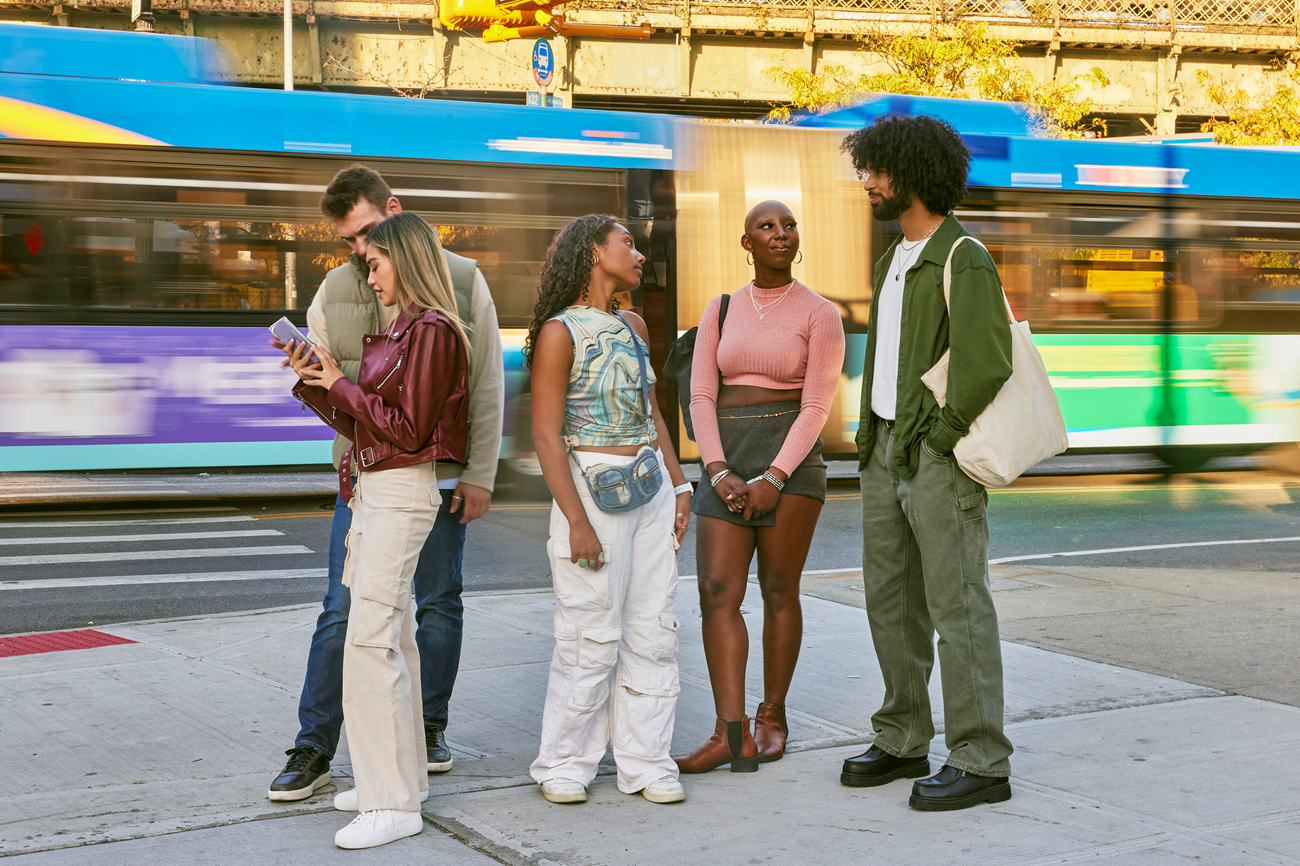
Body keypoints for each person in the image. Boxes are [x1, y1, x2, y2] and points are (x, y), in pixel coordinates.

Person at [268, 165, 503, 804]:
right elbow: (346, 397)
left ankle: (424, 731)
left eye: (368, 239)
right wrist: (311, 376)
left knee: (434, 603)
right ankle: (315, 745)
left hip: (433, 474)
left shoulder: (458, 283)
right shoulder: (335, 288)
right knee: (345, 612)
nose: (359, 256)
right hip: (364, 475)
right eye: (347, 244)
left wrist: (480, 474)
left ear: (394, 213)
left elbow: (483, 384)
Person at [838, 114, 1015, 811]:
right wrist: (871, 442)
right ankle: (903, 734)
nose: (868, 182)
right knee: (891, 603)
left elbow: (987, 361)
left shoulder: (962, 255)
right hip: (885, 451)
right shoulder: (894, 260)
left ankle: (981, 758)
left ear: (910, 174)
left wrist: (940, 440)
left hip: (934, 457)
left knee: (957, 605)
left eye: (877, 170)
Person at [285, 211, 470, 847]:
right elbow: (368, 421)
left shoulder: (433, 331)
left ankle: (392, 803)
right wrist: (316, 383)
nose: (371, 276)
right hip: (374, 488)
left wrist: (338, 380)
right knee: (391, 638)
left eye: (377, 263)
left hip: (398, 490)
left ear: (408, 259)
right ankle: (398, 782)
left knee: (370, 642)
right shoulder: (400, 331)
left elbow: (409, 427)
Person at [526, 214, 693, 806]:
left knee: (653, 629)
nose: (640, 254)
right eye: (629, 242)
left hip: (648, 488)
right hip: (590, 491)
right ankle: (565, 762)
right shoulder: (558, 332)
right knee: (588, 632)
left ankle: (647, 762)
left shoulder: (635, 324)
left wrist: (680, 485)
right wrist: (575, 521)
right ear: (595, 251)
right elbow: (547, 433)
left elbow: (651, 415)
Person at [675, 201, 845, 773]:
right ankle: (731, 733)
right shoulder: (719, 309)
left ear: (799, 239)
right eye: (766, 227)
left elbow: (817, 404)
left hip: (791, 461)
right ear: (746, 243)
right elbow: (701, 396)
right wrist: (717, 471)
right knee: (717, 593)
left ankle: (773, 716)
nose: (780, 233)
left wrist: (776, 476)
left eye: (789, 225)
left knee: (778, 589)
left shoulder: (820, 313)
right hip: (724, 456)